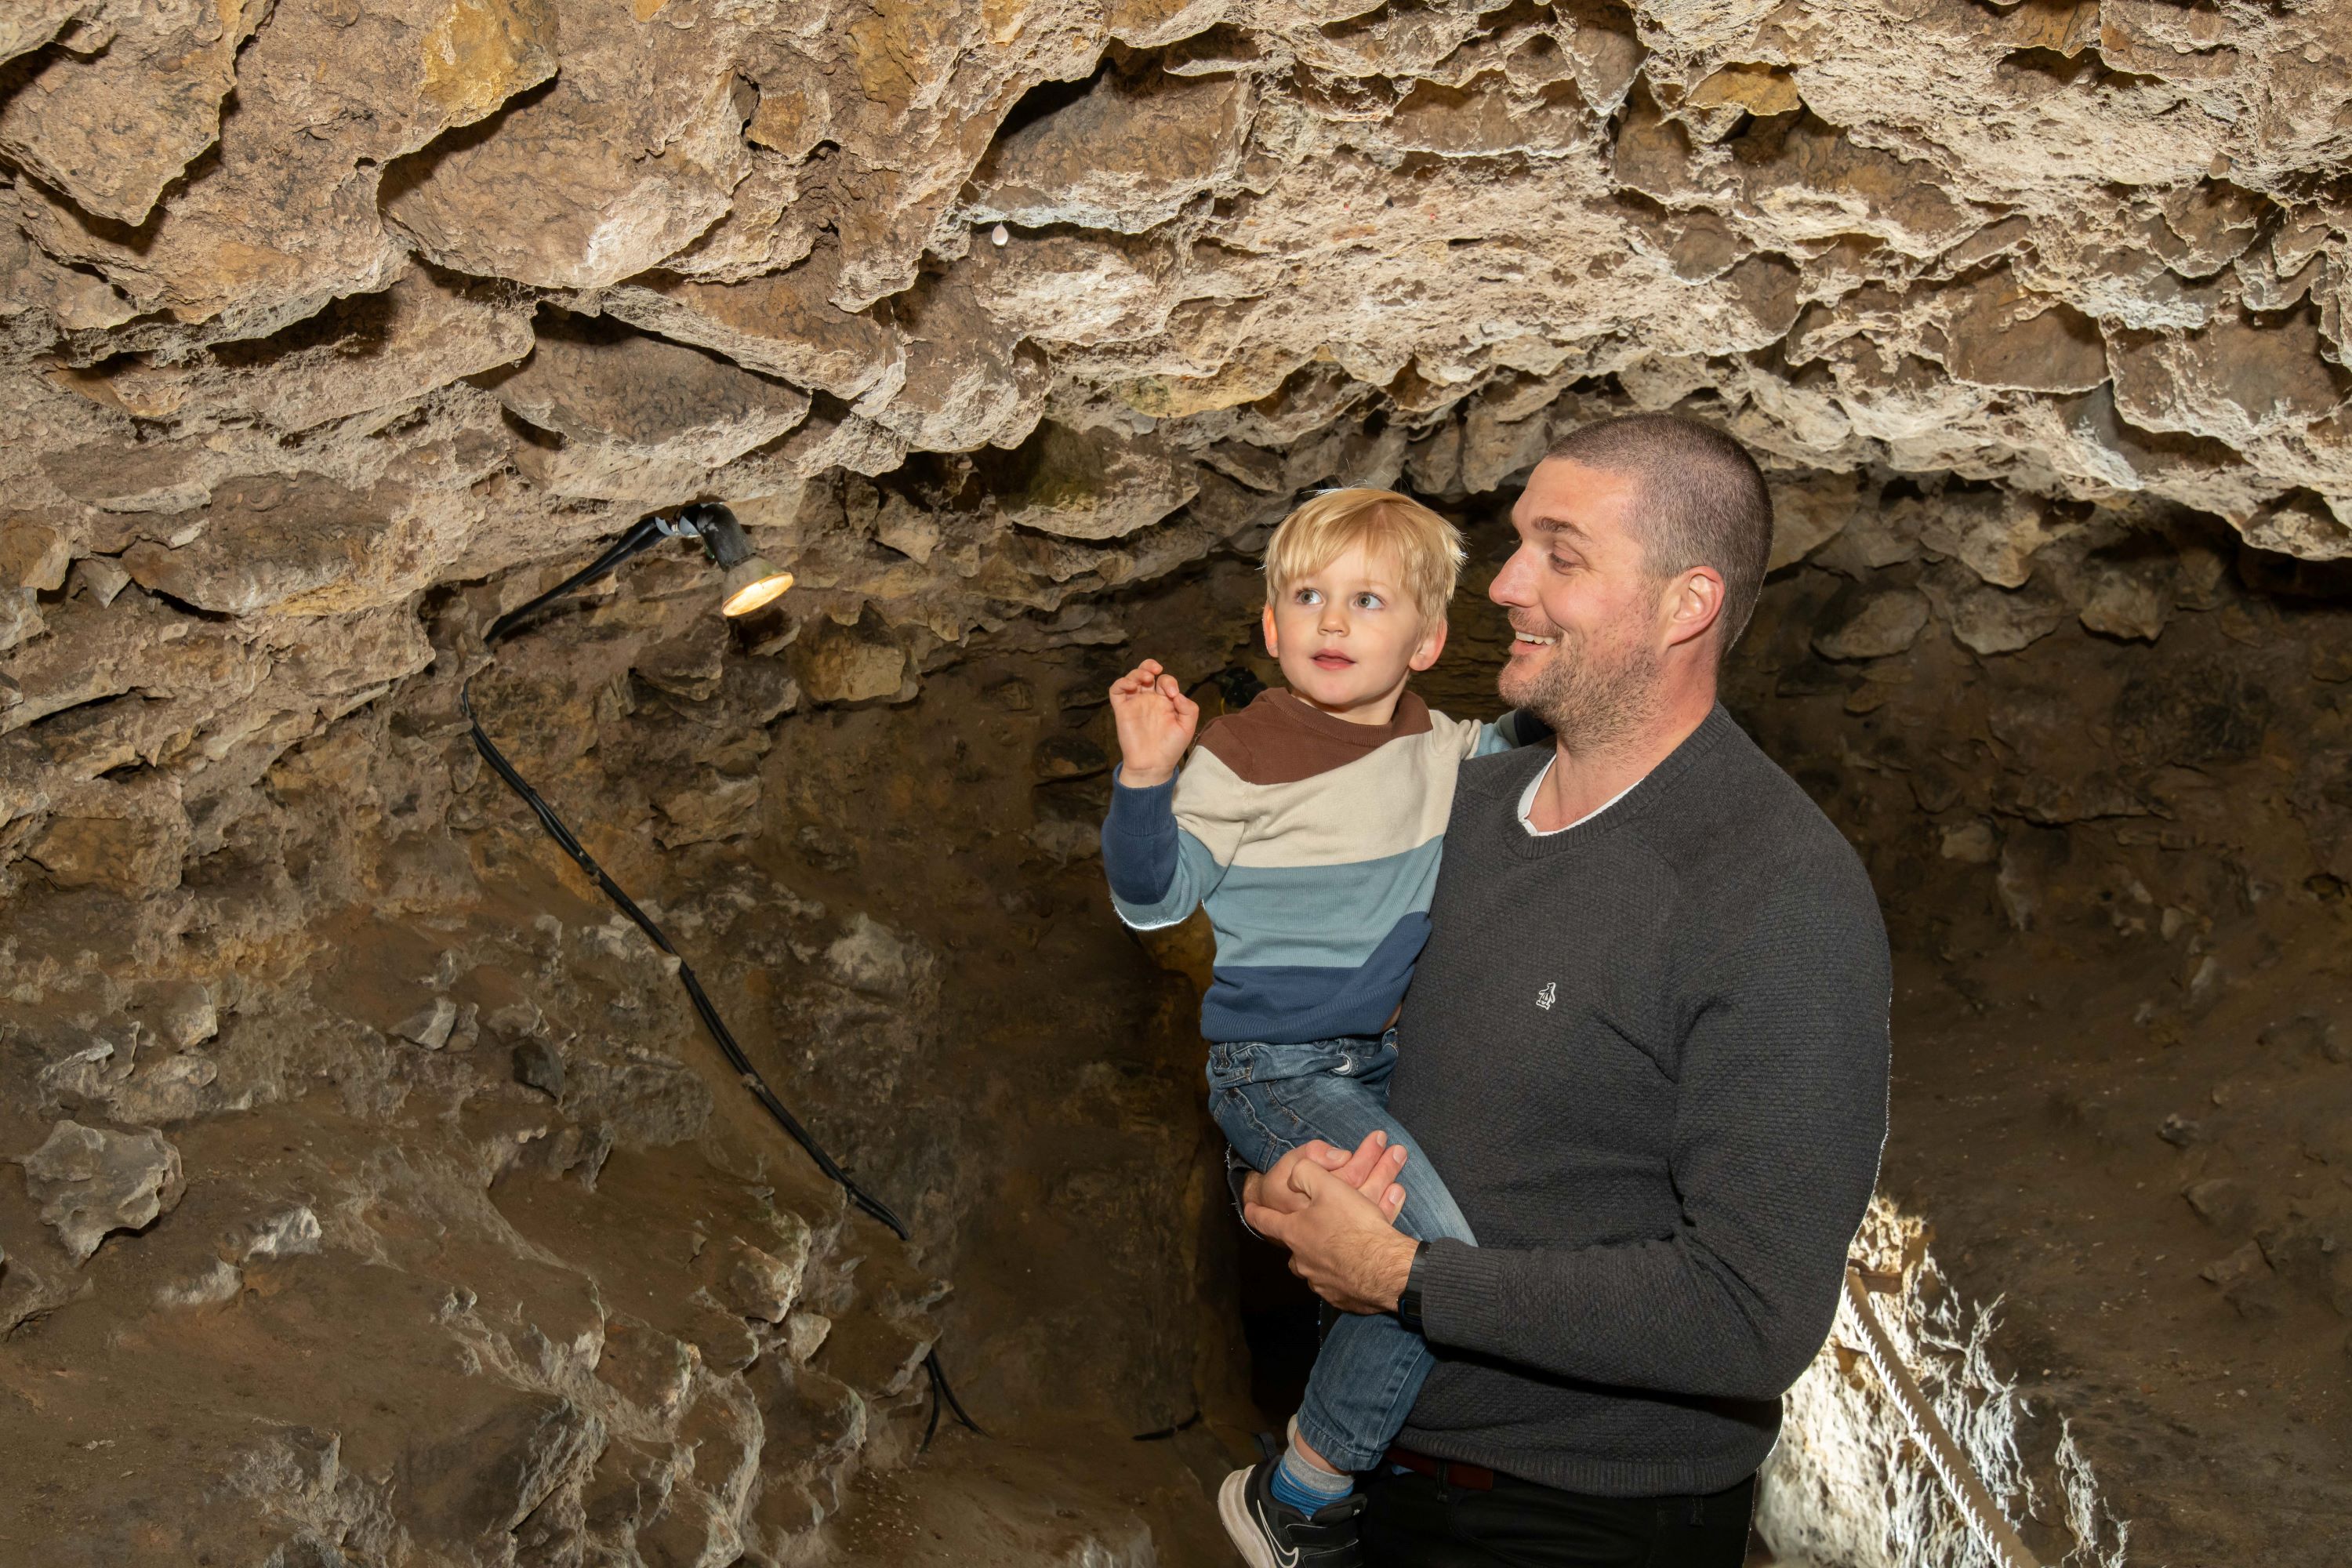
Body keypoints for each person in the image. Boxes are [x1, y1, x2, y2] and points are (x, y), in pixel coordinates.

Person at [1238, 413, 1893, 1567]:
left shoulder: (1776, 893)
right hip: (1362, 1475)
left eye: (1560, 554)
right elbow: (1324, 1056)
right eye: (1516, 545)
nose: (1503, 585)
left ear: (1685, 605)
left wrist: (1404, 1278)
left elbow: (1750, 1313)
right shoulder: (1459, 808)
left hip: (1580, 1516)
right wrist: (1280, 1178)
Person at [1098, 488, 1542, 1568]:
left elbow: (1566, 730)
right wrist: (1146, 777)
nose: (1333, 621)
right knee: (1426, 1262)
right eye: (1308, 596)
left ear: (1428, 639)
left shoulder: (1452, 751)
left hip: (1392, 1064)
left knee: (1427, 1265)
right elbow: (1152, 900)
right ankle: (1301, 1489)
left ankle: (1352, 1478)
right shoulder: (1238, 755)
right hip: (1278, 1071)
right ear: (1270, 628)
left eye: (1368, 599)